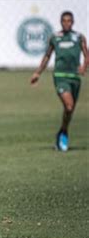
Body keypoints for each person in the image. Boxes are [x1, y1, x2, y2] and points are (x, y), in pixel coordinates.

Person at [30, 11, 87, 151]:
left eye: (69, 21)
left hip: (75, 78)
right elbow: (47, 56)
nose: (66, 23)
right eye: (64, 21)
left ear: (72, 22)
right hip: (60, 76)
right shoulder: (55, 37)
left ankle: (63, 131)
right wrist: (38, 72)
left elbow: (87, 55)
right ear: (61, 22)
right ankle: (63, 135)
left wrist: (84, 66)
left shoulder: (79, 37)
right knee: (68, 106)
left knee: (70, 110)